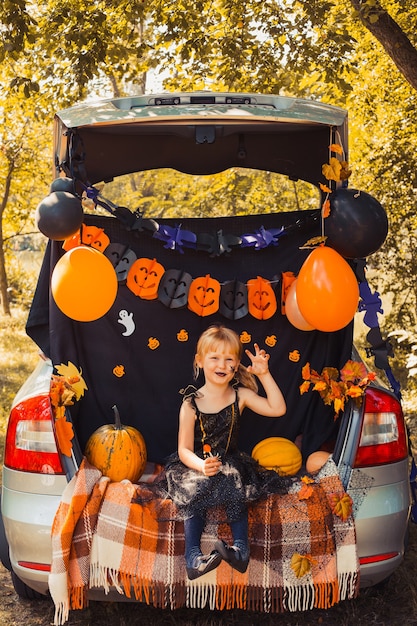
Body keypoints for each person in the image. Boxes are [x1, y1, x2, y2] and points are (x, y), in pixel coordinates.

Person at [160, 324, 288, 580]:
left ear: (237, 364)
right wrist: (199, 465)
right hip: (195, 465)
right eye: (214, 357)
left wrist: (263, 374)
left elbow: (278, 409)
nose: (222, 364)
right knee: (194, 488)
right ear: (200, 361)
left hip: (228, 462)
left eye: (229, 359)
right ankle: (194, 558)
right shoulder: (191, 403)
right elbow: (183, 449)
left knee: (233, 478)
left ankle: (240, 551)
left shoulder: (240, 395)